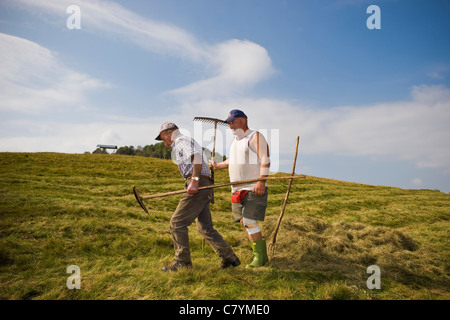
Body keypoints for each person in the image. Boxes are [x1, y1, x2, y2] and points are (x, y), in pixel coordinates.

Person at [155, 122, 240, 272]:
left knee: (177, 223)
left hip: (198, 184)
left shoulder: (181, 141)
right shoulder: (184, 141)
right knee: (205, 227)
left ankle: (182, 261)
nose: (164, 142)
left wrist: (194, 181)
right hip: (203, 184)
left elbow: (198, 156)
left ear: (167, 133)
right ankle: (229, 257)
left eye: (163, 138)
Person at [210, 110, 270, 268]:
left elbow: (265, 158)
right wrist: (218, 165)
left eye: (232, 122)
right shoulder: (236, 141)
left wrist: (261, 181)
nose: (230, 125)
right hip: (236, 190)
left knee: (250, 221)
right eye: (228, 122)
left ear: (243, 120)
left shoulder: (255, 136)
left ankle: (260, 258)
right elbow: (232, 160)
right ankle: (257, 254)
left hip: (252, 187)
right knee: (245, 222)